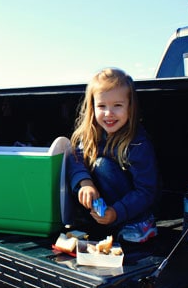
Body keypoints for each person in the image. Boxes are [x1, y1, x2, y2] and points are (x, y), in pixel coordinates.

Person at [67, 68, 160, 244]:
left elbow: (146, 191)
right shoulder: (91, 134)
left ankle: (141, 224)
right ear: (92, 107)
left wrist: (117, 212)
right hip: (106, 208)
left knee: (102, 165)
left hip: (133, 210)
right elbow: (76, 157)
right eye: (102, 106)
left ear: (130, 108)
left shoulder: (138, 143)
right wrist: (85, 183)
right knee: (70, 166)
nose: (109, 113)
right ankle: (97, 220)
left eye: (117, 105)